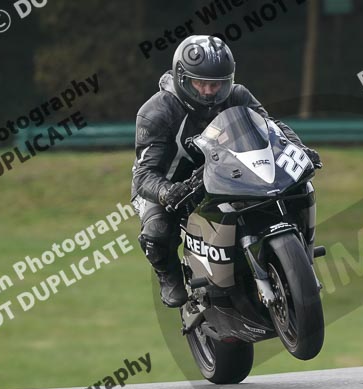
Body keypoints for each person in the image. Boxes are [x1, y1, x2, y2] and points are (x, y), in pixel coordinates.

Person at [131, 35, 321, 307]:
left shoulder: (238, 95)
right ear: (182, 79)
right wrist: (166, 192)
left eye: (218, 84)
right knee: (157, 230)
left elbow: (272, 128)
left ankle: (297, 249)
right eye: (201, 83)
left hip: (226, 171)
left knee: (297, 188)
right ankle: (169, 275)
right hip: (172, 181)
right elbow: (144, 174)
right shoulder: (156, 112)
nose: (209, 91)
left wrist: (299, 149)